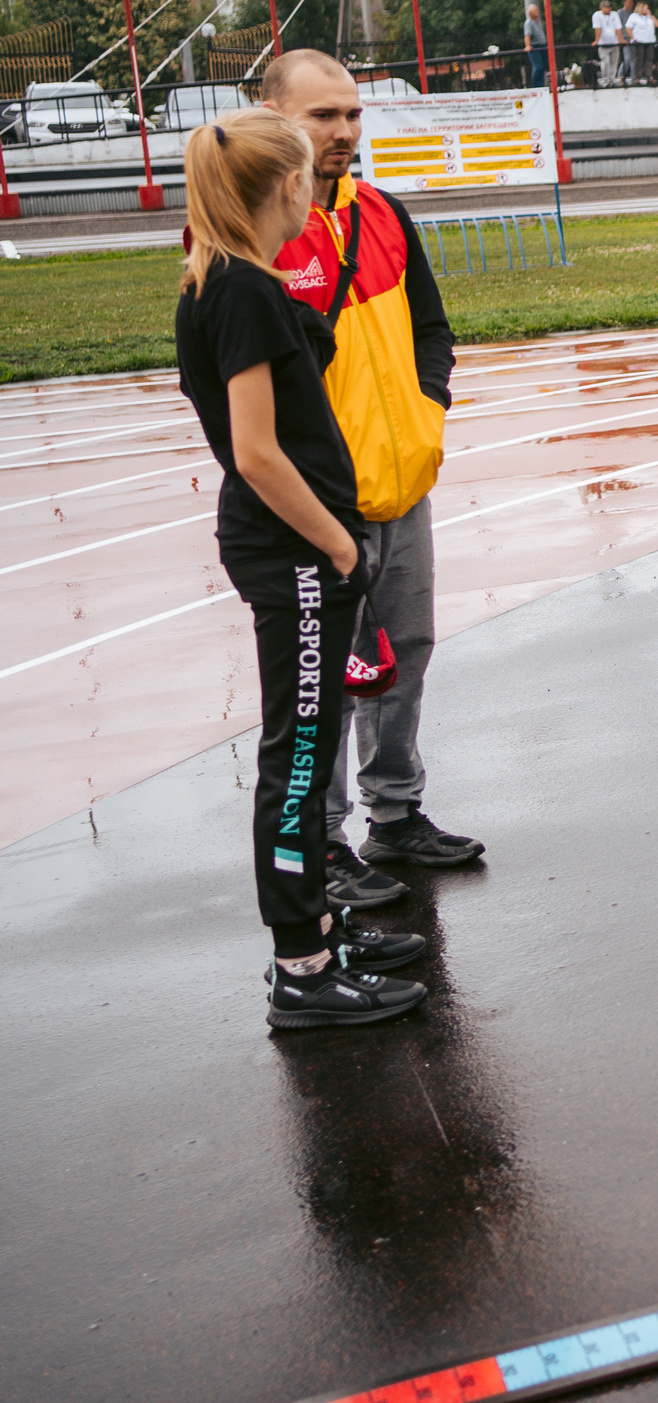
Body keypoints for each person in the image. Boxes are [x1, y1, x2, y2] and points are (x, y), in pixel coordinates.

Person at [172, 108, 432, 1029]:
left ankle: (319, 924)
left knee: (308, 746)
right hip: (292, 554)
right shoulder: (239, 288)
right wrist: (335, 541)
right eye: (302, 181)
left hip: (296, 549)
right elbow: (257, 451)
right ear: (284, 187)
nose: (312, 194)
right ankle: (303, 963)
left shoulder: (233, 278)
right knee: (297, 760)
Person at [262, 49, 483, 908]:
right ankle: (324, 841)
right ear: (274, 114)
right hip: (319, 506)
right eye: (324, 116)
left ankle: (396, 813)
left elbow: (432, 330)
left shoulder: (383, 214)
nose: (345, 132)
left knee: (404, 656)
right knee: (326, 679)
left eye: (353, 114)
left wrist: (427, 413)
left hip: (403, 484)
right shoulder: (256, 233)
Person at [591, 0, 622, 87]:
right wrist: (597, 40)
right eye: (607, 7)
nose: (609, 9)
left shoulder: (614, 15)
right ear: (602, 8)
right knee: (606, 62)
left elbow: (618, 28)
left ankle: (612, 78)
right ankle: (605, 79)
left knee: (614, 62)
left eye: (609, 7)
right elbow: (598, 29)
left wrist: (620, 39)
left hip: (614, 42)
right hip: (604, 43)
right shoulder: (597, 15)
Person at [628, 0, 658, 86]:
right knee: (639, 59)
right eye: (646, 8)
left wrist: (651, 16)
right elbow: (628, 28)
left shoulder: (649, 17)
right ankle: (637, 77)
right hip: (639, 40)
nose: (647, 9)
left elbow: (657, 24)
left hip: (649, 41)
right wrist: (633, 38)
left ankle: (648, 76)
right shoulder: (634, 16)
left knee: (649, 59)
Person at [522, 4, 549, 87]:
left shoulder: (537, 22)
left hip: (542, 46)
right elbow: (527, 35)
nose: (538, 11)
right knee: (538, 67)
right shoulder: (529, 23)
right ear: (531, 12)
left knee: (543, 67)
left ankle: (541, 85)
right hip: (535, 47)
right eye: (535, 10)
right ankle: (535, 86)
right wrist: (527, 45)